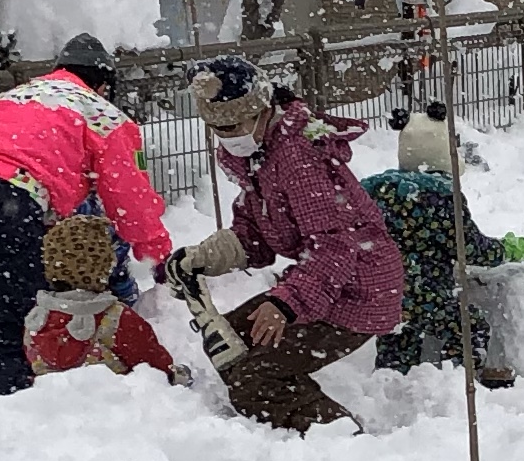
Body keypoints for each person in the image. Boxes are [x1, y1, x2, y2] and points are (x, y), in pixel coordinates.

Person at [0, 34, 177, 400]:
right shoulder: (102, 114)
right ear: (104, 84)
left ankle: (6, 402)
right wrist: (159, 256)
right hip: (9, 201)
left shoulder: (12, 98)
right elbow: (130, 202)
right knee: (20, 317)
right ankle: (18, 405)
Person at [168, 60, 409, 432]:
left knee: (254, 378)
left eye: (232, 126)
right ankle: (290, 404)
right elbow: (258, 230)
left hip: (358, 292)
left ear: (261, 111)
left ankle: (344, 440)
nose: (225, 136)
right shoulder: (260, 154)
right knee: (233, 337)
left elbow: (334, 245)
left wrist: (286, 303)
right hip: (329, 281)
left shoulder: (297, 158)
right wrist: (205, 258)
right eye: (216, 128)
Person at [363, 106, 524, 377]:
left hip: (386, 295)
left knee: (397, 339)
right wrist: (508, 249)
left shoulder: (375, 192)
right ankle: (456, 383)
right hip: (428, 296)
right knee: (468, 327)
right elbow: (472, 250)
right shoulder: (443, 197)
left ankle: (389, 387)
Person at [23, 213, 184, 382]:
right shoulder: (116, 318)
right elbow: (154, 365)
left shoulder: (36, 320)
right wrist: (175, 375)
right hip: (116, 403)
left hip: (57, 405)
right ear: (105, 265)